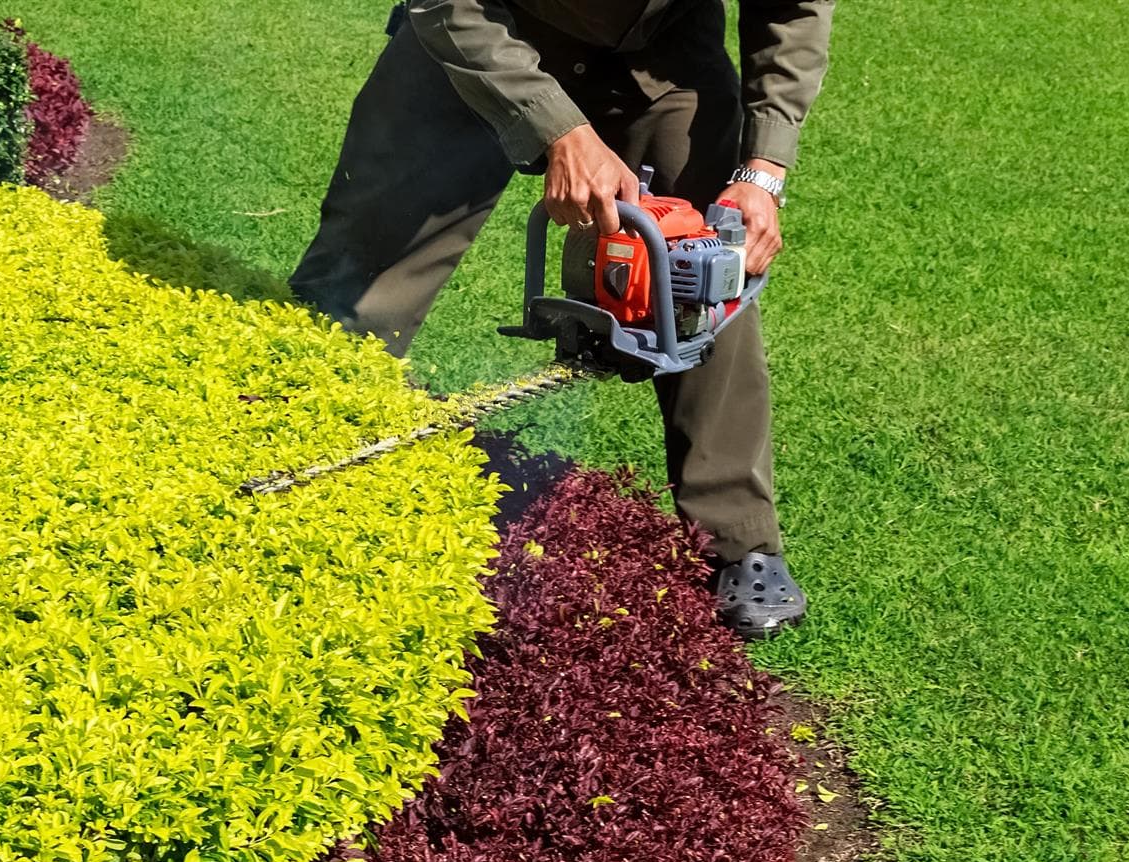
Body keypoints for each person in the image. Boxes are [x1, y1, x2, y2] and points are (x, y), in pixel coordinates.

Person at [289, 0, 834, 640]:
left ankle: (741, 539)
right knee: (365, 270)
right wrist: (558, 130)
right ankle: (294, 442)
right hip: (481, 32)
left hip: (657, 53)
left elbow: (793, 9)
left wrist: (763, 171)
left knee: (700, 264)